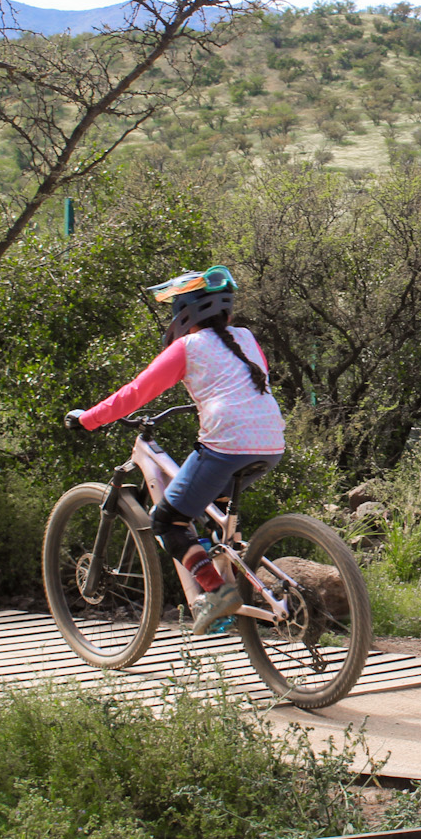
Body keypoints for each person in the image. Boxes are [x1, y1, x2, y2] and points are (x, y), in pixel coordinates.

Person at [66, 265, 285, 634]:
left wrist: (88, 419)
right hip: (271, 441)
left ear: (184, 312)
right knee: (207, 511)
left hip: (227, 445)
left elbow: (135, 394)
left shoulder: (188, 347)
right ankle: (225, 567)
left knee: (166, 520)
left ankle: (218, 593)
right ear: (225, 311)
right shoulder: (246, 338)